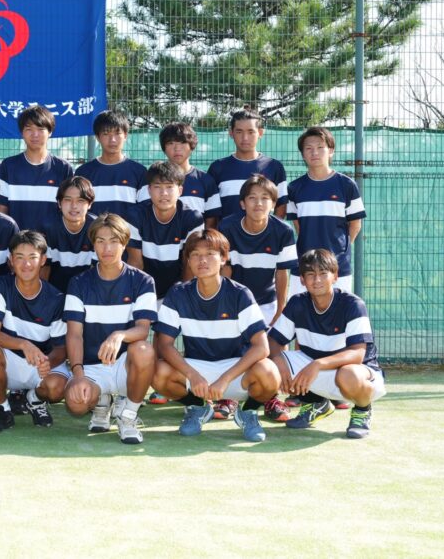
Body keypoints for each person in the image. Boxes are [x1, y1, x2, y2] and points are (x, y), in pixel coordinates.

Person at [151, 229, 281, 443]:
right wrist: (193, 375)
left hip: (235, 370)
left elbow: (261, 347)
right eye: (195, 255)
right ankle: (198, 407)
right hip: (197, 370)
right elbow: (164, 344)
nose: (202, 260)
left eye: (210, 254)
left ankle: (248, 412)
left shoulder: (240, 294)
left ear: (223, 258)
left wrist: (225, 379)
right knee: (158, 372)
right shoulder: (178, 294)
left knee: (269, 373)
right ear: (188, 261)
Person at [269, 249, 385, 438]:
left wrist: (318, 364)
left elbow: (357, 354)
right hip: (318, 369)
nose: (317, 280)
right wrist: (279, 362)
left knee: (348, 374)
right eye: (310, 275)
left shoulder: (353, 305)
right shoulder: (297, 303)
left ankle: (362, 410)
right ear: (302, 280)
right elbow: (273, 341)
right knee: (271, 364)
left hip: (357, 373)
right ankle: (315, 403)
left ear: (335, 276)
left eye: (323, 273)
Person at [62, 214, 157, 445]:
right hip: (92, 367)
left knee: (144, 350)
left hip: (126, 367)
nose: (107, 248)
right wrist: (78, 376)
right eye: (101, 241)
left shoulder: (143, 281)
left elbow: (142, 330)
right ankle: (101, 402)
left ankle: (128, 416)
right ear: (93, 245)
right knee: (76, 404)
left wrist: (119, 335)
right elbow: (74, 334)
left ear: (124, 244)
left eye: (114, 241)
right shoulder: (78, 283)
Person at [217, 174, 298, 422]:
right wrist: (226, 303)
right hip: (235, 302)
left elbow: (282, 273)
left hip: (267, 301)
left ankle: (272, 398)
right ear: (242, 203)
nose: (258, 203)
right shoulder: (227, 227)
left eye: (265, 198)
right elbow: (225, 269)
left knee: (275, 348)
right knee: (231, 346)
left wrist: (281, 308)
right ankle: (228, 397)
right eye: (252, 198)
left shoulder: (283, 231)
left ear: (273, 204)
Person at [0, 230, 69, 433]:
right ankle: (2, 409)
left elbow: (61, 348)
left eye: (32, 257)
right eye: (19, 257)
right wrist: (23, 344)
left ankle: (34, 399)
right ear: (11, 260)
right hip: (8, 361)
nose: (26, 264)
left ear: (43, 260)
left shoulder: (56, 299)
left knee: (57, 388)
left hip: (40, 363)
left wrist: (47, 363)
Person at [287, 126, 365, 295]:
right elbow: (298, 227)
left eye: (320, 147)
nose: (314, 152)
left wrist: (339, 253)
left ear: (331, 151)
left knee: (338, 311)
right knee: (300, 311)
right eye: (309, 148)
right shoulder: (294, 188)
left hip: (337, 269)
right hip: (303, 268)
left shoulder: (347, 185)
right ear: (303, 154)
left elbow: (355, 225)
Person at [127, 161, 205, 300]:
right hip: (144, 290)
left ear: (180, 191)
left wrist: (183, 298)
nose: (164, 193)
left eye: (169, 187)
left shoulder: (193, 219)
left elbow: (189, 264)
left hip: (178, 292)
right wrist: (141, 297)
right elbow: (135, 262)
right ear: (149, 190)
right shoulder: (135, 216)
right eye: (157, 187)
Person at [0, 105, 74, 232]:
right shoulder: (8, 166)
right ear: (22, 132)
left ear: (50, 132)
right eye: (29, 129)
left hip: (53, 242)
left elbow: (69, 208)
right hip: (17, 240)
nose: (35, 135)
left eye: (40, 129)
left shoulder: (63, 168)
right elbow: (2, 209)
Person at [207, 109, 287, 222]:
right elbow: (211, 210)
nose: (245, 138)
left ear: (260, 133)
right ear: (231, 133)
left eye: (251, 132)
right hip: (225, 233)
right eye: (239, 132)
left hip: (264, 234)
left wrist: (272, 231)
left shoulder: (274, 167)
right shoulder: (217, 168)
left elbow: (281, 206)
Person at [75, 110, 147, 221]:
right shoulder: (83, 172)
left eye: (117, 134)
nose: (112, 140)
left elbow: (145, 209)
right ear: (97, 137)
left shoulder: (139, 172)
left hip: (129, 232)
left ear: (125, 135)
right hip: (94, 232)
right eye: (106, 134)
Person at [39, 176, 97, 294]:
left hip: (88, 293)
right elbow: (44, 269)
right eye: (68, 200)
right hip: (55, 292)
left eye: (80, 200)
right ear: (59, 203)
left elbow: (101, 269)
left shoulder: (98, 228)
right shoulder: (48, 228)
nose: (74, 206)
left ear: (90, 204)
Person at [158, 121, 219, 228]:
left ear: (192, 146)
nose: (177, 148)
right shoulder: (154, 180)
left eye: (182, 142)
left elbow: (212, 219)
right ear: (164, 148)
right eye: (171, 143)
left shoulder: (206, 180)